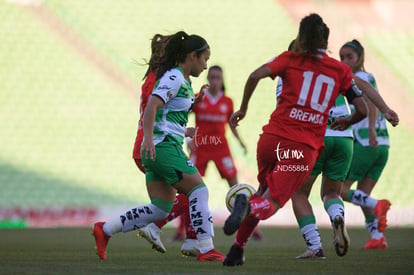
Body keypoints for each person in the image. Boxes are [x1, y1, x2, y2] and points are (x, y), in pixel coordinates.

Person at [222, 13, 399, 267]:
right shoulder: (339, 70)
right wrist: (348, 121)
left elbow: (254, 75)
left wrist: (244, 109)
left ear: (300, 38)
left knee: (265, 193)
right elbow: (361, 105)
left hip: (271, 140)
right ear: (326, 41)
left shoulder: (289, 60)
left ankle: (237, 249)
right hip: (305, 147)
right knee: (274, 201)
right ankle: (250, 211)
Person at [92, 31, 225, 262]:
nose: (205, 65)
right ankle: (205, 246)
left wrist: (191, 112)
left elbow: (166, 112)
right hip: (163, 147)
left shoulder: (180, 79)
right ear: (192, 56)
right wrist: (148, 139)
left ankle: (105, 230)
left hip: (159, 146)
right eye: (204, 59)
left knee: (161, 209)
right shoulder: (174, 77)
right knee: (199, 189)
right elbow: (153, 105)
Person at [137, 65, 260, 258]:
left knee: (236, 186)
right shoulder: (198, 100)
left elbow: (231, 124)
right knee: (188, 189)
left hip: (221, 147)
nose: (214, 80)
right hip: (201, 147)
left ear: (222, 80)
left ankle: (246, 225)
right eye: (211, 76)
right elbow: (180, 115)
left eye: (218, 77)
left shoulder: (227, 101)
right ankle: (182, 230)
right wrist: (186, 140)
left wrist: (241, 142)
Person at [290, 39, 398, 259]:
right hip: (346, 139)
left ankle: (314, 246)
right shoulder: (336, 69)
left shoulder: (296, 71)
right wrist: (386, 109)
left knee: (300, 193)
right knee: (333, 192)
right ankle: (357, 226)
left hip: (322, 137)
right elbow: (365, 89)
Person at [340, 39, 392, 249]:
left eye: (349, 57)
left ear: (360, 58)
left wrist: (370, 129)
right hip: (383, 145)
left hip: (365, 142)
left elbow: (370, 104)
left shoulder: (358, 79)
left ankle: (378, 205)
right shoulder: (370, 77)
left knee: (340, 189)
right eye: (342, 57)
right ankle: (377, 236)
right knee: (362, 194)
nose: (345, 61)